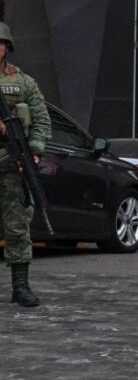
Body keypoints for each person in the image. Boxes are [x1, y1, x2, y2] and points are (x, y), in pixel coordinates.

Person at [0, 21, 51, 307]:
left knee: (18, 227)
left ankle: (20, 286)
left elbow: (42, 121)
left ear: (7, 47)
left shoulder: (23, 83)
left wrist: (34, 152)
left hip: (12, 165)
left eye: (0, 43)